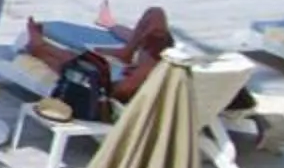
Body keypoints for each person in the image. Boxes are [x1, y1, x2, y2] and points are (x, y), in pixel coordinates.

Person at [20, 8, 175, 103]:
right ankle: (125, 51)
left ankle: (39, 48)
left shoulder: (136, 81)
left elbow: (114, 92)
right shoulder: (156, 59)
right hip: (148, 70)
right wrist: (113, 27)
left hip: (121, 86)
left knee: (85, 66)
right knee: (155, 14)